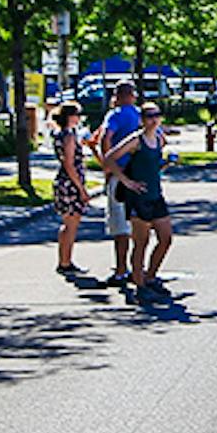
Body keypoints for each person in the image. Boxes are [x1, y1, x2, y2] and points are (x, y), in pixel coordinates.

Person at [109, 102, 176, 300]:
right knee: (141, 242)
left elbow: (154, 167)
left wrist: (167, 163)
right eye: (149, 116)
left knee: (165, 238)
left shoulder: (159, 138)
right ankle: (139, 284)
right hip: (138, 198)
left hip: (156, 195)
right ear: (141, 119)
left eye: (157, 115)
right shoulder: (135, 140)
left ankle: (151, 276)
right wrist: (127, 182)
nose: (153, 119)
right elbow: (109, 158)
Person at [92, 84, 143, 288]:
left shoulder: (115, 115)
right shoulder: (141, 115)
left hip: (120, 173)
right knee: (139, 223)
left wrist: (107, 163)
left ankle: (121, 269)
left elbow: (106, 138)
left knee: (119, 224)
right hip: (139, 174)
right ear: (132, 96)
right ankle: (138, 267)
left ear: (118, 96)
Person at [51, 102, 92, 278]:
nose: (79, 118)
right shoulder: (68, 136)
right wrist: (81, 189)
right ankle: (66, 261)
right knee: (72, 223)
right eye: (77, 115)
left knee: (67, 223)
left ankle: (64, 260)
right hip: (70, 183)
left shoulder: (61, 134)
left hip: (64, 181)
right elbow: (69, 163)